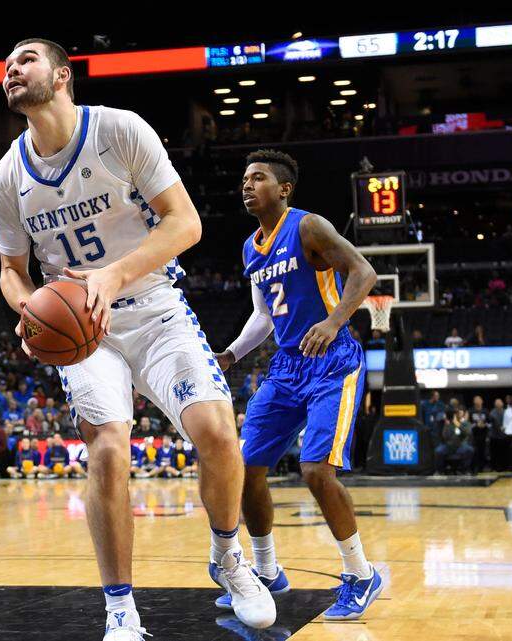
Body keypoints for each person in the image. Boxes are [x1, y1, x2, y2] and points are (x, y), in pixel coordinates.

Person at [0, 39, 274, 638]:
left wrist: (113, 276)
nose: (12, 69)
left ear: (63, 75)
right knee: (110, 452)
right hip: (87, 332)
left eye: (27, 59)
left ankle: (227, 556)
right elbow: (13, 269)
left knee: (220, 435)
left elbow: (185, 222)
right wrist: (27, 310)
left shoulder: (119, 131)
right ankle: (121, 609)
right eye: (7, 65)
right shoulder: (5, 179)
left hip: (153, 305)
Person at [214, 150, 383, 621]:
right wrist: (231, 354)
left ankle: (361, 573)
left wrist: (333, 321)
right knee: (246, 470)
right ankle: (267, 571)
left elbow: (364, 272)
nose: (247, 185)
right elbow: (263, 317)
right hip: (287, 368)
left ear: (283, 188)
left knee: (315, 471)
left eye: (258, 178)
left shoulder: (308, 226)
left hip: (333, 362)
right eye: (244, 179)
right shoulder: (251, 248)